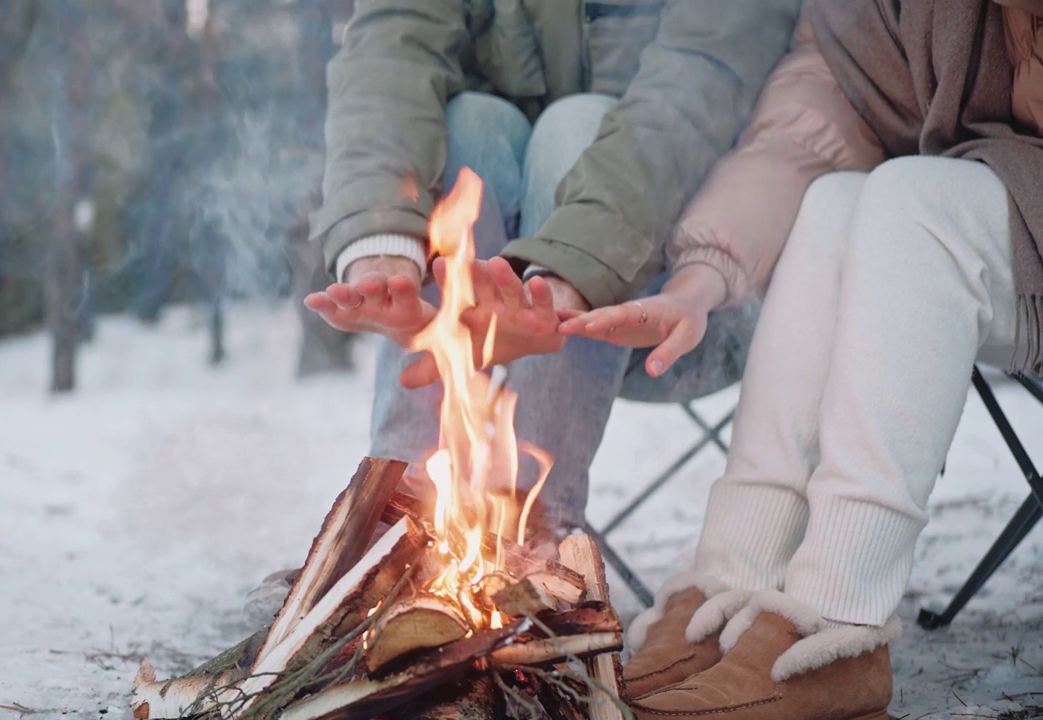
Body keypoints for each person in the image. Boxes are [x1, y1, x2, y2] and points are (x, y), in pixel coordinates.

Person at [550, 0, 1043, 716]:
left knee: (917, 201)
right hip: (993, 194)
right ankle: (729, 589)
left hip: (978, 204)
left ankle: (837, 625)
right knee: (834, 200)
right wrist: (702, 278)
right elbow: (809, 129)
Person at [302, 0, 804, 530]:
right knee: (471, 122)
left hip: (680, 292)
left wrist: (570, 278)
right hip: (482, 290)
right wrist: (381, 249)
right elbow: (391, 47)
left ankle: (529, 521)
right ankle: (400, 509)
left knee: (577, 127)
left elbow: (691, 98)